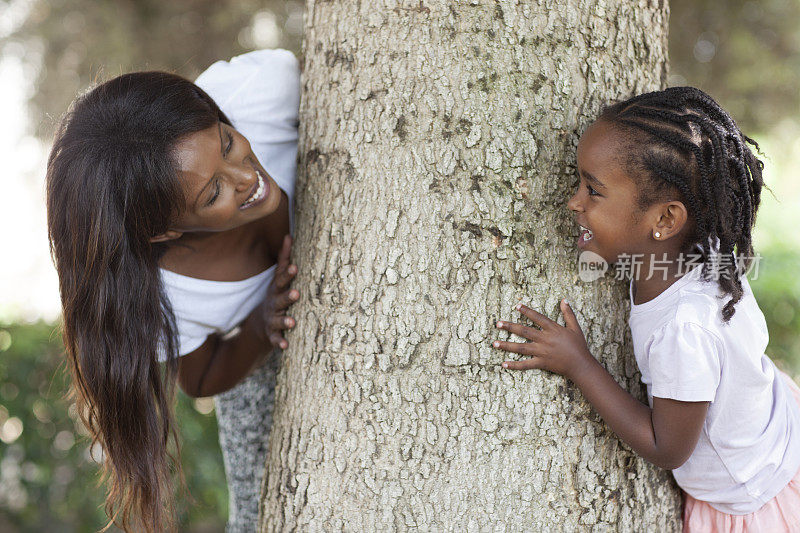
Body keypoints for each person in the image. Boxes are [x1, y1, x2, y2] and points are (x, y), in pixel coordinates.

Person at [492, 87, 800, 531]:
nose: (573, 202)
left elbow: (666, 446)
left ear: (665, 221)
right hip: (771, 420)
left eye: (593, 191)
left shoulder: (684, 329)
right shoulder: (692, 249)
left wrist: (579, 364)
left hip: (749, 491)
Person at [46, 49, 300, 532]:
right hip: (264, 364)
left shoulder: (258, 90)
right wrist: (260, 325)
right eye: (213, 194)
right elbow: (200, 380)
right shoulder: (166, 294)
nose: (249, 178)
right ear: (163, 232)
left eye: (227, 143)